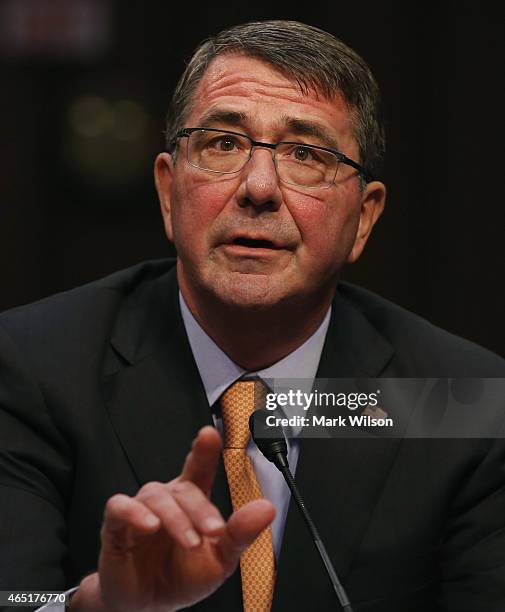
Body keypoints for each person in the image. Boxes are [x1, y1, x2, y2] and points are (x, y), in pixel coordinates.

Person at [1, 19, 504, 612]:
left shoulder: (459, 404)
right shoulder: (30, 367)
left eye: (305, 154)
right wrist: (93, 608)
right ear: (168, 192)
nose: (258, 187)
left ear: (364, 218)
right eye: (223, 144)